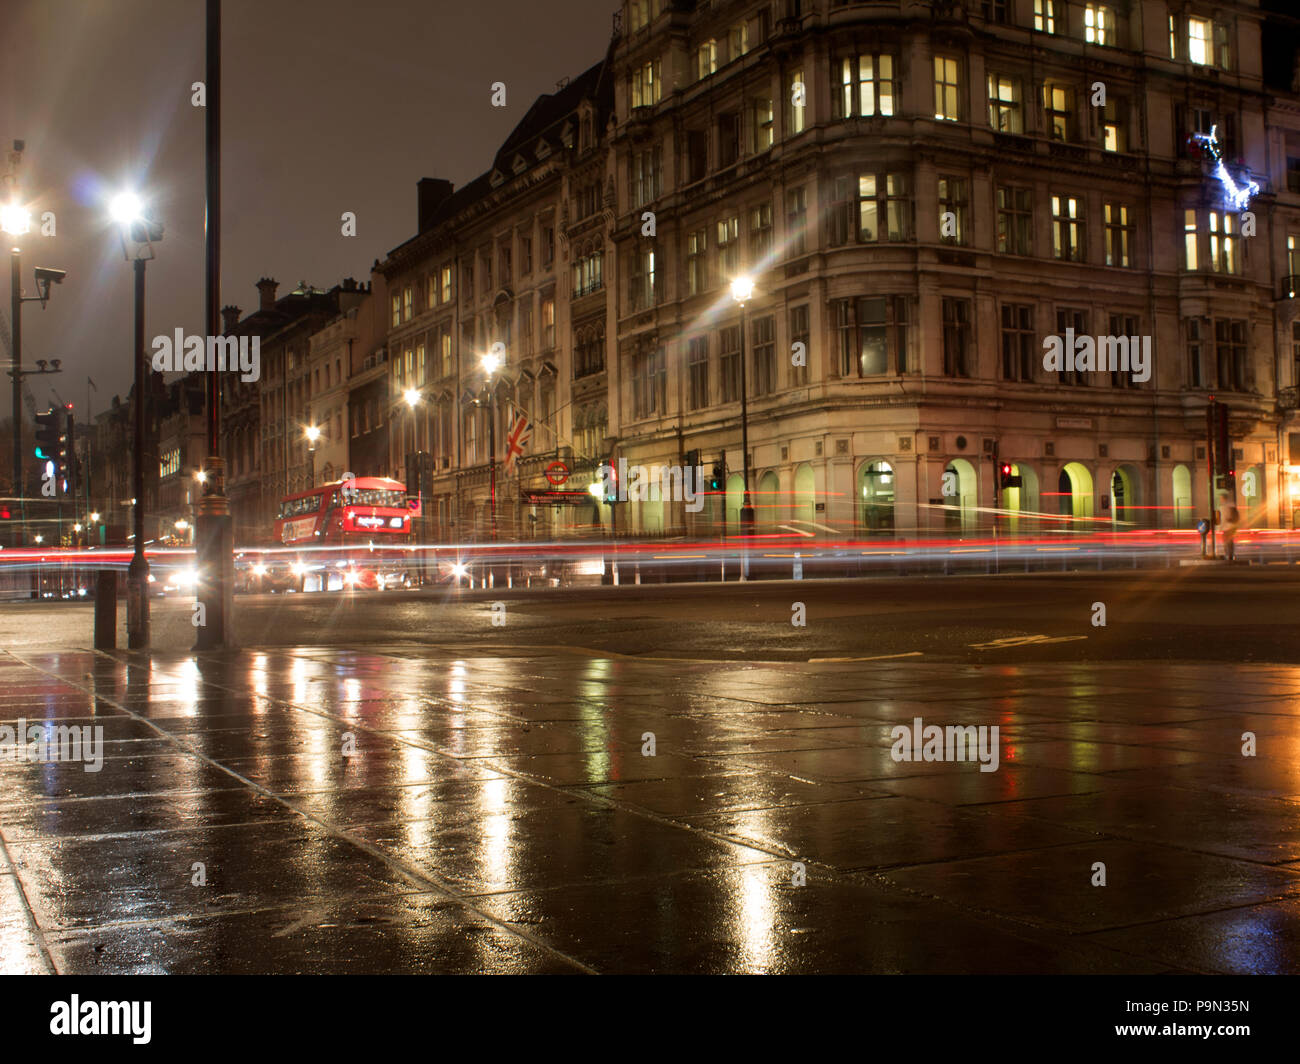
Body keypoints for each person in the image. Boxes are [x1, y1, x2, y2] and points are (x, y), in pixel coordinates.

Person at [1217, 491, 1241, 561]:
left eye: (1220, 498)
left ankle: (1227, 555)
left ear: (1223, 498)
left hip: (1227, 527)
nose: (1220, 499)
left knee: (1226, 542)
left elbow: (1223, 518)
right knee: (1230, 542)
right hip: (1233, 526)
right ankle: (1231, 555)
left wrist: (1219, 528)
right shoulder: (1232, 505)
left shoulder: (1223, 507)